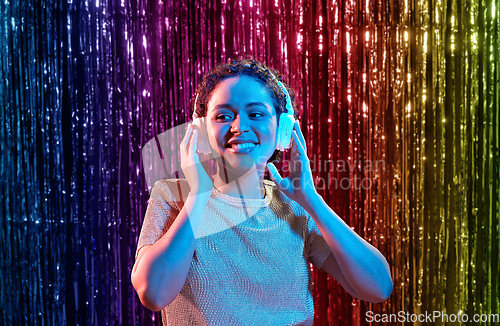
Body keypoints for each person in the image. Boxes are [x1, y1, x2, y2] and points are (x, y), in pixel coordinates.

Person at [131, 58, 393, 325]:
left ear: (282, 129)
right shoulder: (173, 195)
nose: (239, 127)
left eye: (256, 114)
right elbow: (154, 294)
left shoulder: (293, 206)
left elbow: (378, 288)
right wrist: (198, 198)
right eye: (223, 116)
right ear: (200, 132)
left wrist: (313, 201)